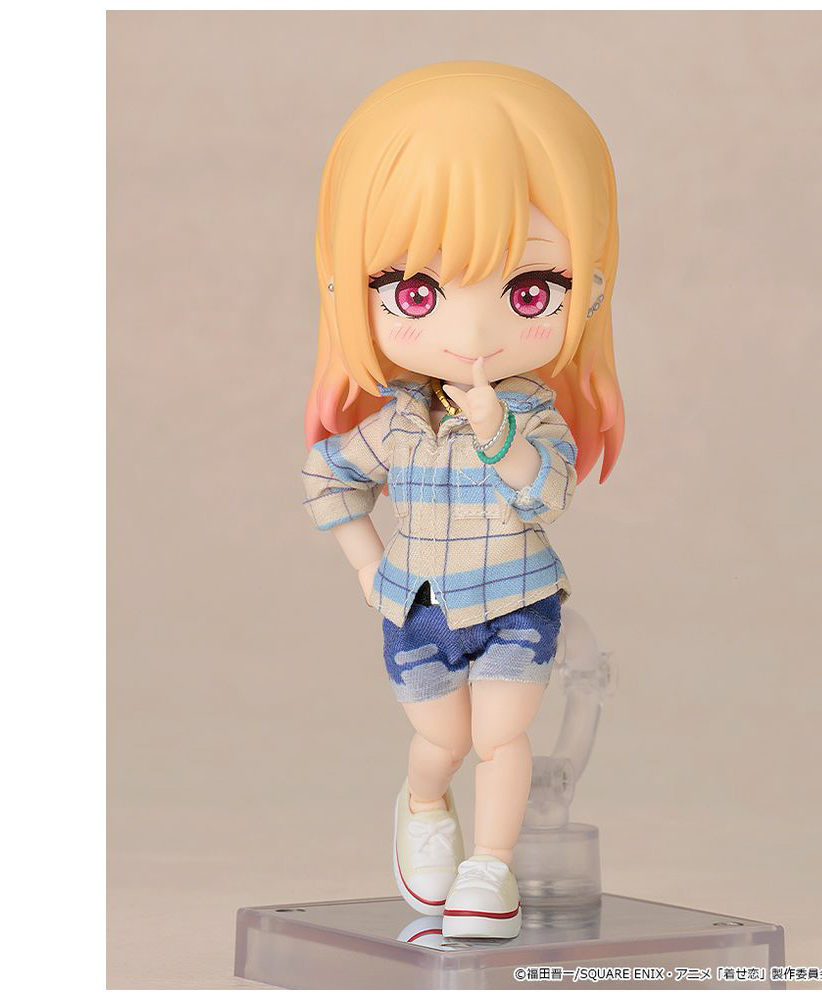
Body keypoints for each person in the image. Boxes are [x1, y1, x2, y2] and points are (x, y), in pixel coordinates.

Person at [301, 60, 624, 939]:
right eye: (417, 292)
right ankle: (422, 804)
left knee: (502, 739)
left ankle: (490, 865)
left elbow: (546, 494)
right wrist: (367, 566)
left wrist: (497, 433)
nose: (472, 332)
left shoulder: (535, 417)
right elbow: (328, 476)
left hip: (518, 603)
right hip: (419, 610)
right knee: (442, 743)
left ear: (588, 288)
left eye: (529, 290)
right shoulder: (399, 424)